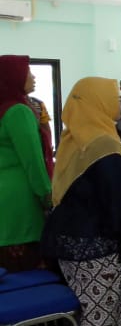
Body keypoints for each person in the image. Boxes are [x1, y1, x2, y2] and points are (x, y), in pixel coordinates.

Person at [40, 77, 121, 326]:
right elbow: (118, 198)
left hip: (67, 242)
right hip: (94, 244)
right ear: (98, 102)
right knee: (105, 310)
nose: (115, 101)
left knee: (84, 309)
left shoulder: (73, 139)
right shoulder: (105, 144)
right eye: (110, 96)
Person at [0, 55, 51, 272]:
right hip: (19, 199)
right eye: (27, 71)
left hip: (5, 195)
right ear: (14, 77)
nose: (33, 76)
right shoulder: (18, 111)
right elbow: (33, 161)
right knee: (24, 270)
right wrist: (48, 197)